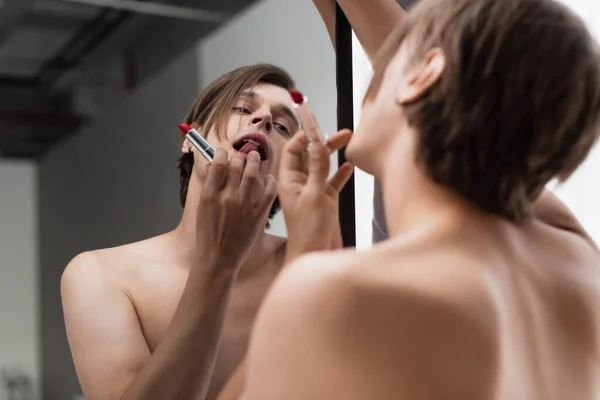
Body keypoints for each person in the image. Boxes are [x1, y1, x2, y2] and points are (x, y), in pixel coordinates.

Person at [220, 0, 600, 399]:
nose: (374, 73)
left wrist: (302, 265)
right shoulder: (580, 270)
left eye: (392, 57)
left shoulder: (341, 295)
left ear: (426, 73)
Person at [60, 63, 353, 400]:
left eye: (284, 126)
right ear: (190, 140)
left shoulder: (311, 262)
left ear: (291, 165)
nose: (264, 121)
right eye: (242, 108)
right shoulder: (101, 275)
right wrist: (219, 265)